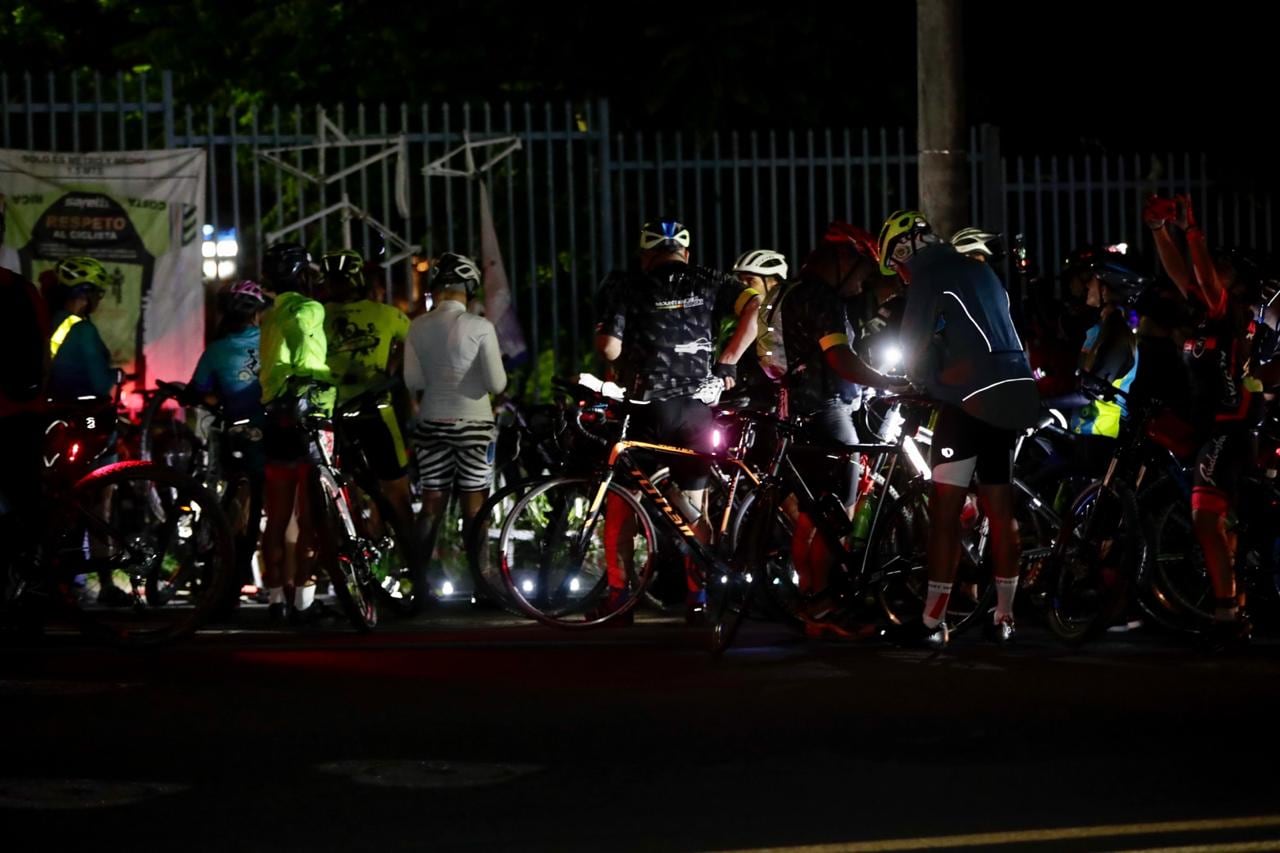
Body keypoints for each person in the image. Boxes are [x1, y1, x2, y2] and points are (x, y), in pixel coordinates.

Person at [879, 209, 1040, 648]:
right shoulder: (981, 271)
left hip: (970, 400)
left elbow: (913, 349)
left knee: (945, 514)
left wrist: (918, 379)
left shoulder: (929, 277)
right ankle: (1004, 618)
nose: (900, 276)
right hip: (1013, 390)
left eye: (896, 266)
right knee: (1000, 509)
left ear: (905, 250)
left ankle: (933, 622)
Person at [594, 217, 760, 623]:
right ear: (685, 252)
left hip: (645, 407)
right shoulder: (709, 279)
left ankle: (619, 597)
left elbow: (610, 348)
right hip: (696, 409)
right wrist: (727, 362)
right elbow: (757, 304)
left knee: (622, 502)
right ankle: (698, 597)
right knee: (694, 505)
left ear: (645, 256)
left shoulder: (626, 285)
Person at [1145, 193, 1261, 649]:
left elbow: (1203, 276)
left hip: (1230, 426)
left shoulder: (1227, 311)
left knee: (1206, 517)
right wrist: (1159, 231)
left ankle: (1227, 614)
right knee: (1220, 522)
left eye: (1220, 269)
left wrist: (1191, 230)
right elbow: (1182, 273)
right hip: (1217, 424)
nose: (1208, 272)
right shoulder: (1205, 311)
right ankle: (1233, 607)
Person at [404, 252, 507, 584]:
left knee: (431, 504)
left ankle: (417, 583)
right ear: (470, 287)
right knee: (475, 507)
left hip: (431, 422)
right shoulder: (481, 327)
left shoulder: (417, 326)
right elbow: (497, 384)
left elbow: (413, 381)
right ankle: (483, 583)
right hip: (475, 425)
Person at [320, 248, 415, 570]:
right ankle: (408, 565)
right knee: (389, 492)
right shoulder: (386, 314)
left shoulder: (320, 315)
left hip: (347, 412)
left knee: (363, 491)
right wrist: (394, 367)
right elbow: (416, 341)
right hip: (368, 410)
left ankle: (400, 561)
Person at [257, 242, 333, 623]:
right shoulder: (309, 308)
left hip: (274, 418)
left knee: (277, 514)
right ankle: (304, 600)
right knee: (312, 515)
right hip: (309, 418)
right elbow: (308, 356)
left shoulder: (268, 315)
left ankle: (275, 599)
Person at [188, 279, 270, 616]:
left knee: (237, 507)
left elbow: (198, 392)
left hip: (237, 435)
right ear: (256, 315)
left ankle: (222, 580)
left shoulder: (216, 350)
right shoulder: (271, 341)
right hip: (275, 433)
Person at [48, 257, 114, 403]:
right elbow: (101, 385)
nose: (99, 299)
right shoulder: (84, 330)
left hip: (52, 405)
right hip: (81, 409)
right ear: (85, 293)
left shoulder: (52, 319)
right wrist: (117, 375)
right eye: (98, 293)